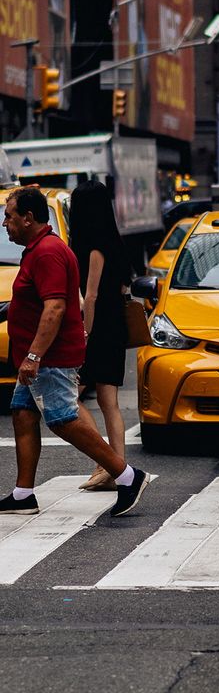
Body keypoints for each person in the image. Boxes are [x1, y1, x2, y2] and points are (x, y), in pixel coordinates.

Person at [0, 187, 149, 519]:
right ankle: (24, 493)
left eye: (9, 216)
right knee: (23, 414)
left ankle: (127, 476)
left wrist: (34, 356)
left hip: (50, 356)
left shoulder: (48, 253)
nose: (5, 223)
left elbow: (54, 308)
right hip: (41, 354)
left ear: (28, 218)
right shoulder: (39, 250)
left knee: (64, 420)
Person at [69, 180, 131, 492]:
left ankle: (107, 462)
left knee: (70, 395)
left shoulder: (94, 247)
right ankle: (116, 467)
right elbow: (121, 289)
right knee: (109, 402)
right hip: (113, 325)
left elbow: (90, 297)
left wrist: (85, 334)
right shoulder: (114, 243)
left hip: (98, 328)